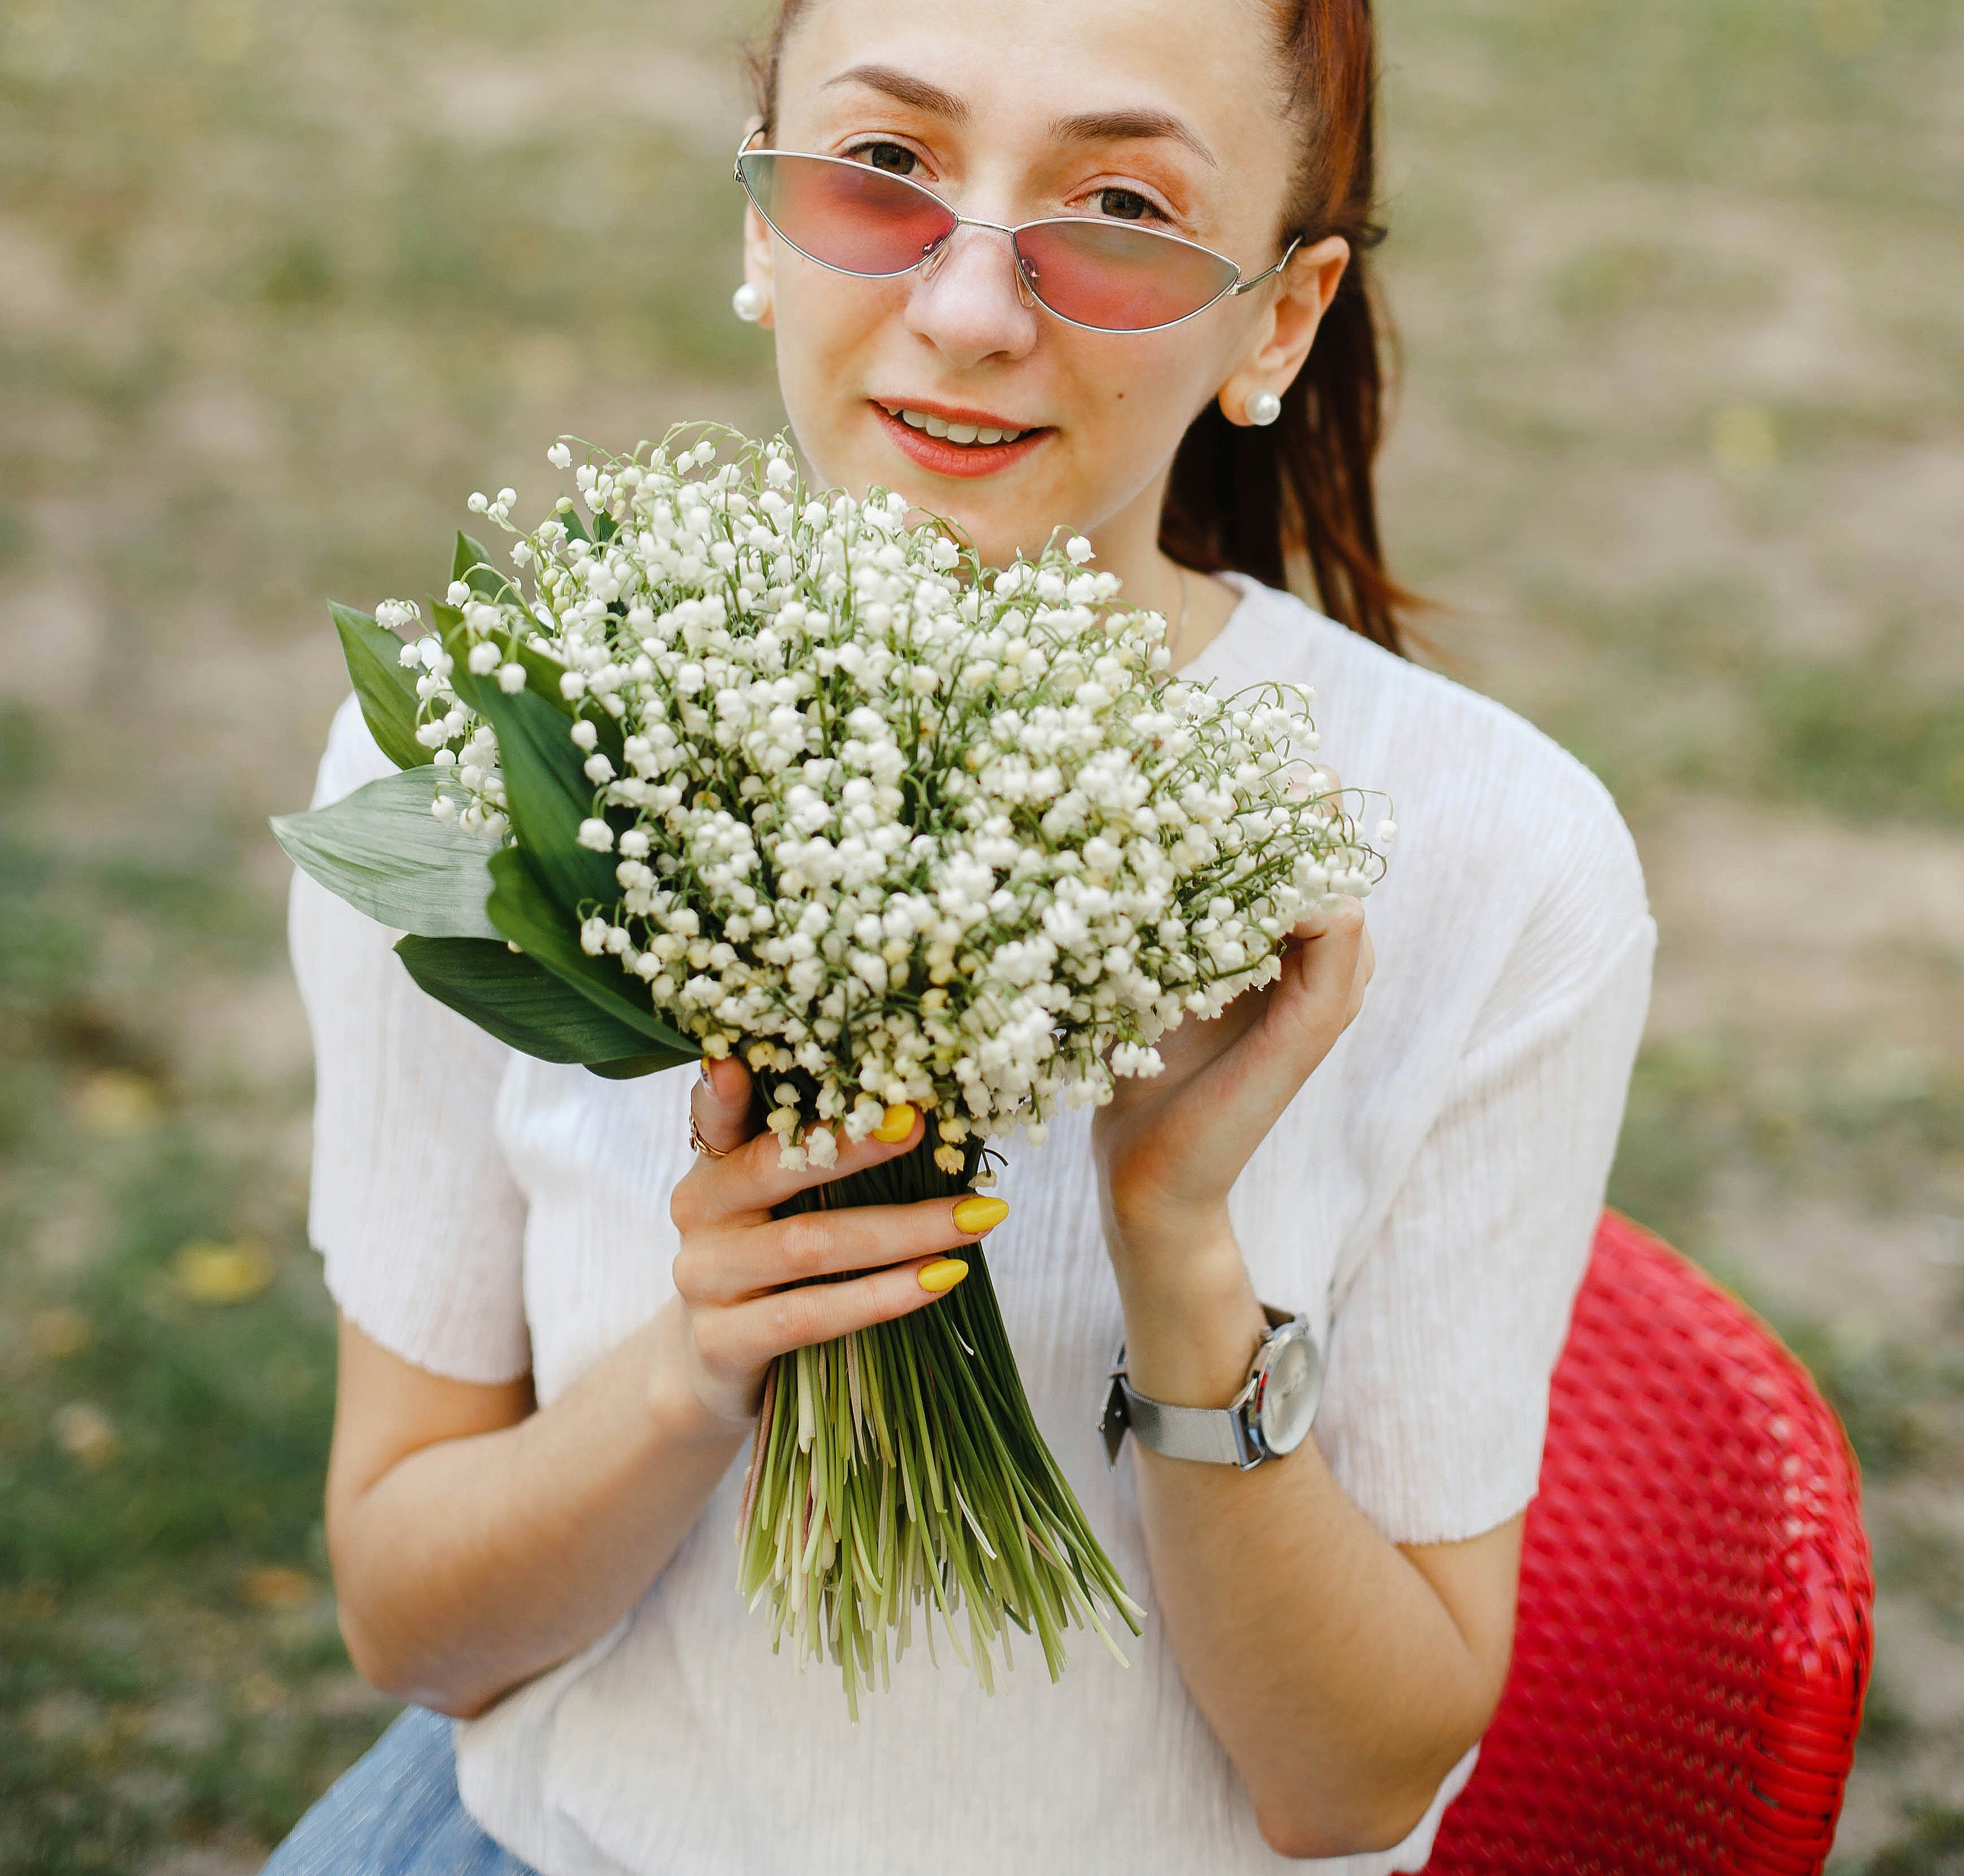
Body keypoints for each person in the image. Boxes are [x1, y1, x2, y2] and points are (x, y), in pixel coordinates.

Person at [267, 0, 1654, 1869]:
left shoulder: (1493, 858)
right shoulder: (492, 754)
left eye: (1120, 212)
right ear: (763, 218)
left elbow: (1357, 1784)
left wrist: (1180, 1251)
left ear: (1281, 315)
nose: (974, 311)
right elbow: (409, 1621)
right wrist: (689, 1370)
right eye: (887, 171)